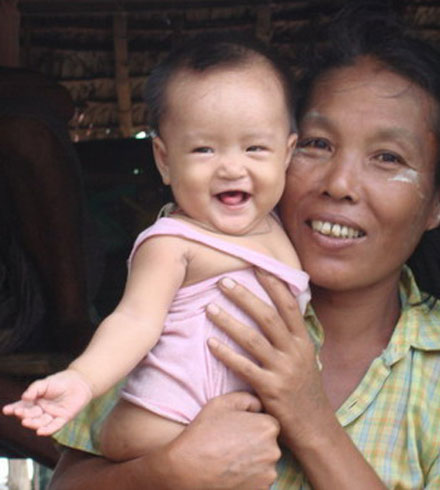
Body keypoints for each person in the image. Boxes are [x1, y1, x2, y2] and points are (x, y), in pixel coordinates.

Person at [47, 5, 440, 490]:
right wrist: (168, 470)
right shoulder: (194, 288)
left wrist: (311, 420)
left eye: (387, 157)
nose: (340, 184)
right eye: (318, 145)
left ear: (438, 204)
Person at [3, 34, 309, 463]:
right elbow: (134, 320)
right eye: (204, 149)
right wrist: (82, 380)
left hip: (239, 428)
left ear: (287, 153)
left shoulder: (281, 229)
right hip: (164, 422)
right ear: (165, 161)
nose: (231, 167)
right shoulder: (173, 242)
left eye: (255, 148)